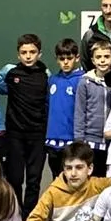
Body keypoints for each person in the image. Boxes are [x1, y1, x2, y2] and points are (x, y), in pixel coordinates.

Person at [0, 33, 51, 215]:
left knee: (34, 179)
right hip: (15, 135)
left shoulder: (46, 75)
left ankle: (29, 216)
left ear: (39, 54)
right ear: (18, 54)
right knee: (14, 178)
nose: (28, 56)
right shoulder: (10, 72)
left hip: (38, 134)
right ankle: (15, 214)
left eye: (32, 52)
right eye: (24, 52)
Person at [44, 39, 86, 178]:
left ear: (77, 58)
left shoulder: (82, 80)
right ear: (57, 59)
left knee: (72, 178)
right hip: (52, 138)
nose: (66, 62)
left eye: (69, 58)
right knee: (56, 178)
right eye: (62, 59)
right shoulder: (53, 80)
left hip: (72, 139)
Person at [74, 39, 111, 176]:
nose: (102, 60)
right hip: (91, 141)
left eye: (106, 56)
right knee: (91, 180)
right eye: (98, 57)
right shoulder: (85, 82)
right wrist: (79, 141)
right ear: (93, 60)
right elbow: (80, 112)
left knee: (109, 179)